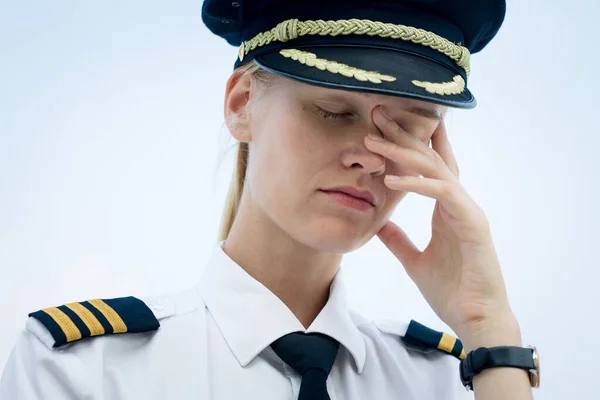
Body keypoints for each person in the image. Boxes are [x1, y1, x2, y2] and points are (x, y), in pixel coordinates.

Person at [1, 0, 541, 399]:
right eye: (334, 112)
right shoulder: (83, 371)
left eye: (407, 129)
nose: (372, 158)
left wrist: (489, 328)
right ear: (241, 104)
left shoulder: (453, 380)